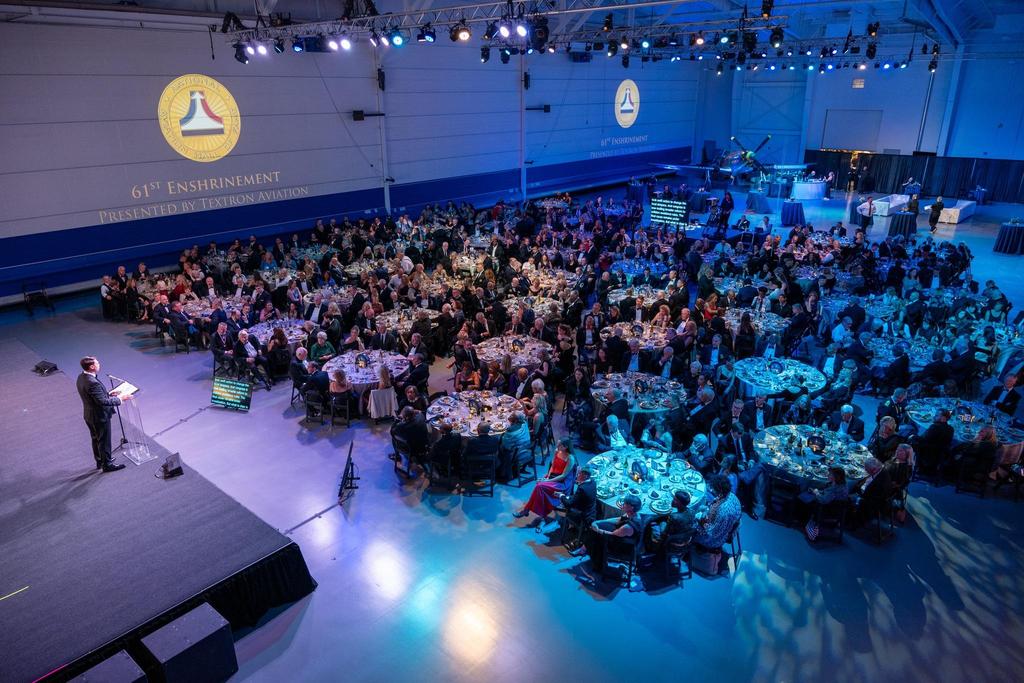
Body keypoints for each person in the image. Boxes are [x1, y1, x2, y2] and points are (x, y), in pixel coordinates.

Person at [76, 356, 132, 472]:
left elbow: (92, 394)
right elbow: (102, 402)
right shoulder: (92, 382)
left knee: (96, 439)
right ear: (92, 367)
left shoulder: (82, 377)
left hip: (89, 415)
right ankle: (107, 464)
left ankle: (100, 461)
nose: (99, 365)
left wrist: (109, 394)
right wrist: (120, 399)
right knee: (104, 441)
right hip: (99, 416)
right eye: (97, 363)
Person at [581, 493, 644, 578]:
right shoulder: (632, 514)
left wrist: (598, 530)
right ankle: (585, 548)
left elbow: (613, 534)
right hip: (620, 535)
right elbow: (619, 519)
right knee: (593, 530)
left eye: (625, 503)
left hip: (623, 545)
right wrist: (599, 522)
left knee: (595, 537)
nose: (623, 504)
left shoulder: (628, 527)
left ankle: (598, 567)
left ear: (631, 507)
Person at [513, 439, 577, 521]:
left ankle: (526, 510)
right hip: (552, 476)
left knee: (539, 486)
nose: (557, 446)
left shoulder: (570, 458)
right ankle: (529, 510)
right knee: (539, 486)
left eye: (559, 445)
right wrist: (547, 477)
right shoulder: (557, 451)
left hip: (562, 482)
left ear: (565, 447)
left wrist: (547, 481)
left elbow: (563, 476)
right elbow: (552, 466)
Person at [693, 474, 742, 552]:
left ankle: (696, 547)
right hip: (718, 523)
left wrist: (701, 523)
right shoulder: (730, 495)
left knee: (690, 526)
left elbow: (713, 533)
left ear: (720, 491)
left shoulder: (724, 512)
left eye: (713, 489)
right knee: (699, 510)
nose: (711, 490)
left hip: (715, 539)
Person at [558, 468, 597, 551]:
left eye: (579, 474)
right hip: (592, 509)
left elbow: (569, 504)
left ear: (585, 476)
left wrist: (561, 496)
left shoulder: (582, 488)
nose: (577, 475)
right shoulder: (593, 482)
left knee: (565, 505)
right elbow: (578, 498)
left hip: (583, 514)